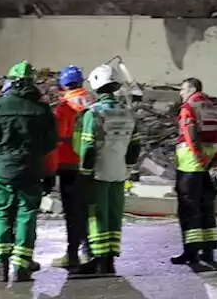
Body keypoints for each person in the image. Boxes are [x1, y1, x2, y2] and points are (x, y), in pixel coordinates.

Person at [0, 62, 58, 282]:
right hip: (31, 172)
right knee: (26, 216)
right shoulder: (43, 110)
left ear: (10, 82)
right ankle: (22, 266)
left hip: (2, 171)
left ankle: (0, 261)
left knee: (1, 214)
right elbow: (51, 143)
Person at [74, 64, 141, 276]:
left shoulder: (93, 113)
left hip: (99, 173)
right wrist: (128, 167)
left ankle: (99, 260)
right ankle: (111, 259)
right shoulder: (128, 112)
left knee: (97, 215)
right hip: (120, 172)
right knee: (114, 214)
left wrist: (85, 174)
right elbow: (135, 146)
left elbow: (88, 148)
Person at [169, 78, 217, 271]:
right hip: (208, 163)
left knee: (189, 209)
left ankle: (191, 252)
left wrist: (198, 156)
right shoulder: (213, 107)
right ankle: (208, 250)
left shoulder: (189, 107)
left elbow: (189, 131)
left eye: (183, 88)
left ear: (193, 89)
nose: (180, 92)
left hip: (191, 165)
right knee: (206, 207)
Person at [44, 65, 94, 271]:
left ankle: (74, 253)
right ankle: (90, 251)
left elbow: (56, 136)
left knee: (73, 212)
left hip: (68, 164)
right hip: (91, 163)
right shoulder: (93, 101)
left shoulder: (63, 106)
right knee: (90, 209)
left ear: (63, 84)